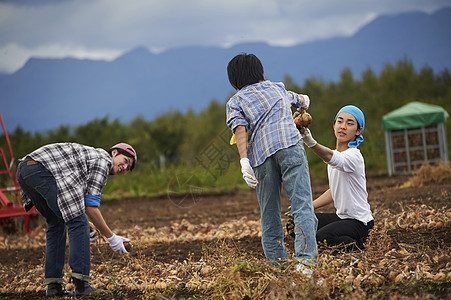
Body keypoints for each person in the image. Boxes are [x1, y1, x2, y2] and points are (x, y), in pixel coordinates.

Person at [226, 53, 318, 269]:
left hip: (261, 157)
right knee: (302, 206)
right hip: (289, 146)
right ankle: (306, 265)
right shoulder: (277, 88)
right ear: (261, 73)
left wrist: (243, 161)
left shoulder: (235, 101)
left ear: (233, 81)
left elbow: (240, 129)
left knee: (269, 214)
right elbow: (302, 99)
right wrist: (304, 103)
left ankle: (279, 269)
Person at [16, 142, 137, 296]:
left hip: (25, 170)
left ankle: (53, 287)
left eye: (128, 167)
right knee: (79, 222)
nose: (124, 167)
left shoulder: (93, 158)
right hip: (40, 169)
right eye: (125, 161)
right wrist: (111, 237)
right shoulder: (103, 160)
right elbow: (90, 206)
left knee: (57, 223)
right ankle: (81, 285)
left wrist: (91, 228)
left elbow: (76, 202)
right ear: (114, 153)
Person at [300, 105, 374, 252]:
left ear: (358, 131)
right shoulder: (335, 156)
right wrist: (309, 206)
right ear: (334, 125)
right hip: (342, 218)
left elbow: (330, 157)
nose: (343, 127)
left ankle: (360, 246)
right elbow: (335, 191)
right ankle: (338, 243)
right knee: (298, 223)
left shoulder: (354, 156)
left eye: (350, 123)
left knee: (322, 237)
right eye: (340, 121)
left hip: (359, 222)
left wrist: (310, 142)